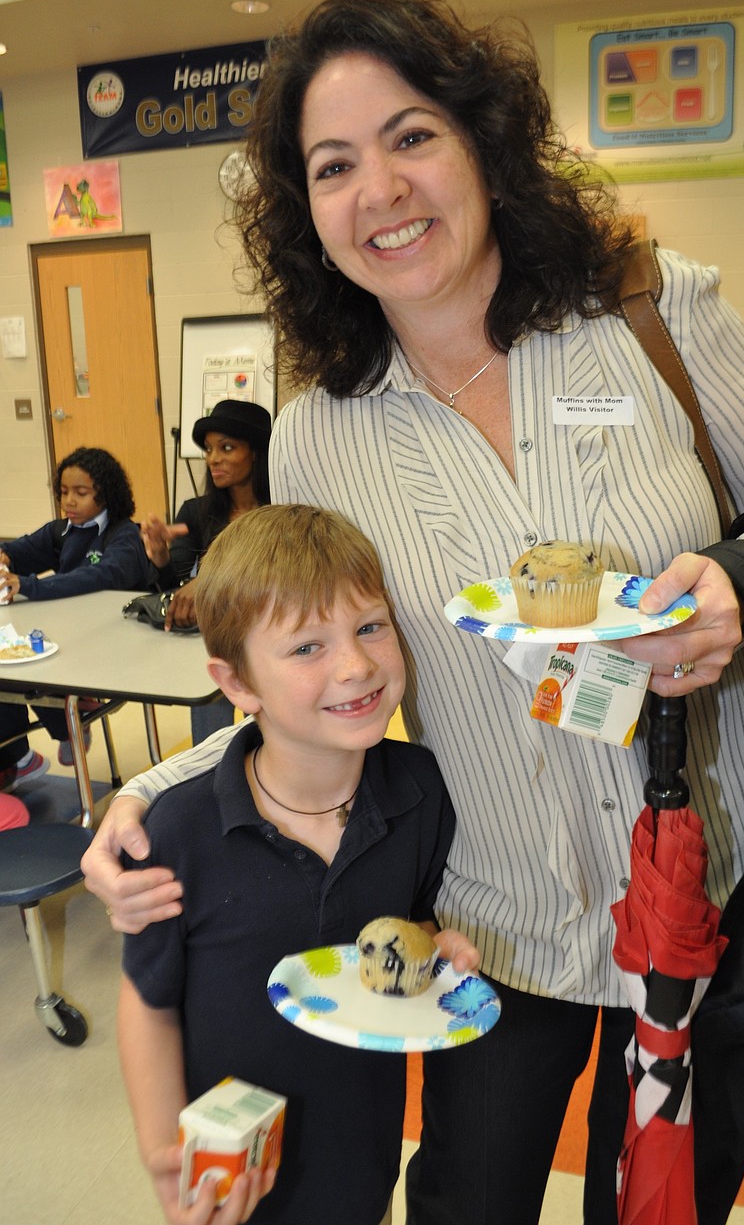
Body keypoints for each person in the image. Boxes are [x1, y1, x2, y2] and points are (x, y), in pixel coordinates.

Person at [82, 0, 744, 1225]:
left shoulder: (649, 314)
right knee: (465, 1201)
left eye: (411, 136)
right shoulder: (319, 435)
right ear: (305, 212)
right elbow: (301, 672)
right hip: (493, 924)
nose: (380, 189)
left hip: (711, 890)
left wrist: (742, 592)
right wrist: (151, 793)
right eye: (334, 165)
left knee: (662, 1204)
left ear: (483, 142)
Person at [118, 503, 478, 1225]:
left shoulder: (420, 792)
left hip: (362, 1158)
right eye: (307, 646)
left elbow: (413, 921)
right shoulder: (180, 831)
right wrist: (163, 1148)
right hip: (235, 1179)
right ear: (238, 684)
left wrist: (434, 948)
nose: (357, 665)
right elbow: (147, 1000)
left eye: (370, 626)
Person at [0, 446, 151, 791]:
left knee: (32, 667)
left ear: (106, 493)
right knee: (8, 668)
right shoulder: (62, 531)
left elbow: (101, 576)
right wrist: (6, 556)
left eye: (81, 493)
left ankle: (71, 720)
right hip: (69, 637)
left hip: (113, 644)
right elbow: (21, 549)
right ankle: (18, 758)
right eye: (64, 492)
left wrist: (30, 585)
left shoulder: (124, 535)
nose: (69, 501)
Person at [142, 398, 271, 742]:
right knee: (212, 740)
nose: (213, 459)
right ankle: (214, 768)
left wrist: (209, 582)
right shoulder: (196, 511)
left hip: (271, 637)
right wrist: (160, 557)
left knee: (272, 736)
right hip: (212, 644)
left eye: (227, 448)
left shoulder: (282, 510)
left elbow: (281, 575)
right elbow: (175, 584)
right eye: (209, 449)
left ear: (255, 453)